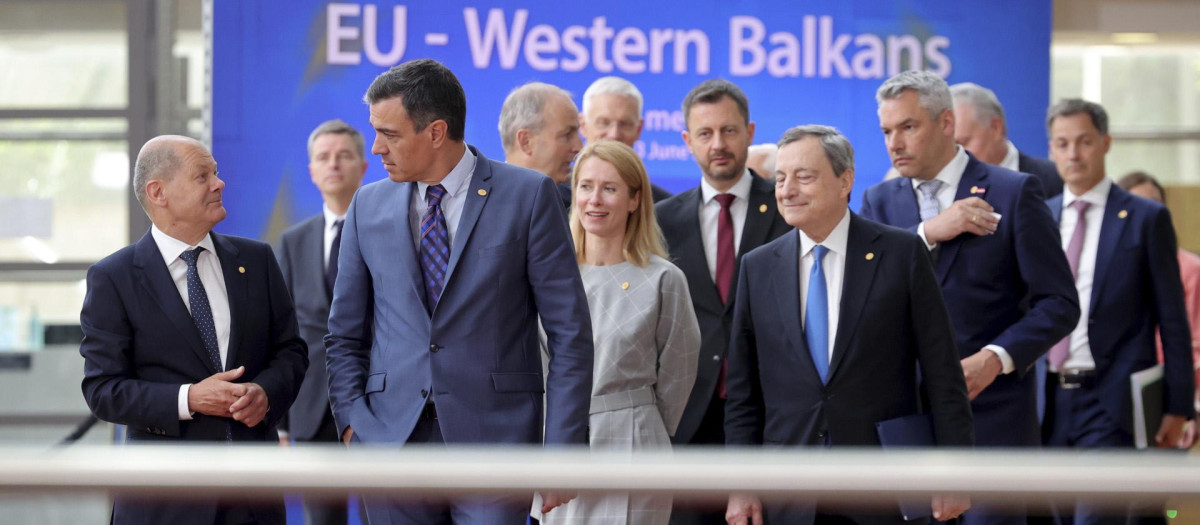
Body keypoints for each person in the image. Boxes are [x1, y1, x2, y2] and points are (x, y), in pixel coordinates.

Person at [324, 58, 594, 524]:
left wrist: (563, 449)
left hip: (496, 448)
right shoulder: (367, 206)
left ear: (435, 132)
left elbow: (570, 333)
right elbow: (344, 335)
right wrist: (354, 426)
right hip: (390, 446)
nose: (376, 148)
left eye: (389, 134)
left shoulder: (528, 196)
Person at [724, 124, 973, 525]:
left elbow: (943, 373)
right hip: (788, 489)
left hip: (882, 485)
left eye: (804, 177)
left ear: (845, 181)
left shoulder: (901, 252)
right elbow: (742, 392)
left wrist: (954, 470)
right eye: (781, 178)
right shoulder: (757, 267)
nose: (787, 190)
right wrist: (741, 483)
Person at [860, 71, 1080, 525]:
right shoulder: (879, 201)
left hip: (994, 418)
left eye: (907, 127)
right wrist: (926, 233)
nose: (894, 143)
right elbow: (861, 294)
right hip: (909, 422)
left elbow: (1059, 304)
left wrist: (996, 358)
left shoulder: (1014, 192)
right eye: (886, 131)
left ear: (945, 124)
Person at [80, 135, 308, 525]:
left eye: (216, 173)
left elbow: (291, 352)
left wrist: (265, 394)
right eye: (202, 176)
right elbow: (103, 391)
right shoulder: (113, 278)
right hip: (164, 502)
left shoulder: (257, 260)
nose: (219, 184)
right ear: (159, 192)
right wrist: (190, 399)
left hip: (253, 499)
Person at [1043, 100, 1195, 523]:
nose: (1073, 154)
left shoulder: (1145, 218)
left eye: (1084, 142)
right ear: (1052, 150)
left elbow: (1173, 320)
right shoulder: (1040, 216)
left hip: (1111, 400)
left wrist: (1178, 404)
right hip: (1048, 400)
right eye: (1062, 143)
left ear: (1105, 143)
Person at [538, 140, 701, 525]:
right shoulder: (548, 277)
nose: (595, 200)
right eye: (585, 186)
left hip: (635, 443)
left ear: (634, 199)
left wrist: (640, 422)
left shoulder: (664, 279)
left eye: (609, 188)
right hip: (559, 441)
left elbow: (679, 370)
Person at [655, 79, 791, 525]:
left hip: (771, 416)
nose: (718, 144)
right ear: (686, 142)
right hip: (687, 421)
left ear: (750, 132)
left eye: (729, 131)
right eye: (705, 133)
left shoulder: (790, 209)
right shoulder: (662, 221)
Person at [276, 119, 368, 525]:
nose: (334, 165)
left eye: (344, 155)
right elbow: (278, 334)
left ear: (364, 167)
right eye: (323, 157)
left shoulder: (392, 231)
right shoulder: (293, 241)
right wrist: (279, 424)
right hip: (310, 410)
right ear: (311, 170)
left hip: (377, 408)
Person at [1116, 170, 1200, 441]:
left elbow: (1194, 343)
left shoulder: (1188, 268)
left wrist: (1190, 404)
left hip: (1165, 389)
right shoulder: (1107, 269)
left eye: (1153, 207)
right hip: (1113, 392)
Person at [950, 82, 1063, 197]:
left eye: (964, 142)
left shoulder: (1056, 179)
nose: (957, 153)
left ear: (996, 127)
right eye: (951, 146)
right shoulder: (942, 188)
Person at [579, 76, 673, 202]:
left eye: (625, 124)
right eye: (604, 123)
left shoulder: (661, 207)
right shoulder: (555, 197)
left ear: (638, 129)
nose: (614, 134)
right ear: (583, 125)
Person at [499, 81, 583, 208]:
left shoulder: (581, 206)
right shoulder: (474, 205)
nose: (579, 147)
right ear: (526, 142)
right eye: (567, 135)